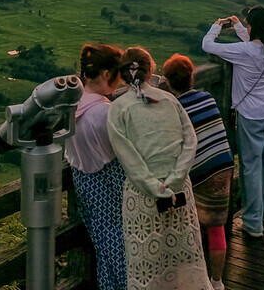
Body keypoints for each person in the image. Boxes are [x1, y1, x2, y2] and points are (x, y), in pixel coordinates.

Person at [106, 47, 212, 290]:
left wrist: (154, 186)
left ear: (122, 74)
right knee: (184, 257)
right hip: (179, 193)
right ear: (150, 70)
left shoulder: (118, 108)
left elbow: (129, 158)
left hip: (142, 197)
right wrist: (175, 179)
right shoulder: (170, 100)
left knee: (147, 262)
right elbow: (190, 140)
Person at [202, 5, 264, 238]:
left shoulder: (243, 51)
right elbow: (255, 41)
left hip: (252, 116)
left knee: (251, 168)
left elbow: (207, 45)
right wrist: (240, 25)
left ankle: (253, 223)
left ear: (253, 27)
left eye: (247, 24)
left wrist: (217, 26)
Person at [162, 54, 235, 290]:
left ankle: (194, 279)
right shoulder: (208, 97)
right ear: (191, 76)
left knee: (188, 224)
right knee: (216, 227)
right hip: (223, 163)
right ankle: (217, 281)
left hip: (200, 170)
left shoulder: (174, 108)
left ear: (168, 82)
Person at [63, 44, 127, 290]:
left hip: (85, 187)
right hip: (112, 188)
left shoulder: (72, 105)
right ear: (106, 74)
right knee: (122, 251)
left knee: (104, 249)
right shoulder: (103, 112)